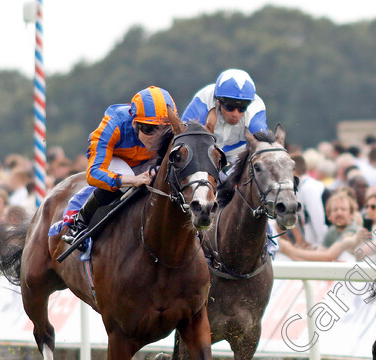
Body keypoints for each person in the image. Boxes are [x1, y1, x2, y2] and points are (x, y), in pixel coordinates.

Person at [62, 86, 177, 244]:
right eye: (149, 129)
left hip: (148, 161)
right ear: (135, 124)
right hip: (116, 160)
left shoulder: (174, 129)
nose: (156, 138)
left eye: (164, 129)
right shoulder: (113, 125)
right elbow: (94, 174)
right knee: (128, 186)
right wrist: (132, 179)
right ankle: (80, 222)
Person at [181, 68, 267, 165]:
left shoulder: (255, 109)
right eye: (230, 107)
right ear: (218, 102)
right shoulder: (202, 103)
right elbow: (184, 141)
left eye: (242, 108)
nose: (235, 114)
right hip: (203, 153)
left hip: (238, 155)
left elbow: (262, 150)